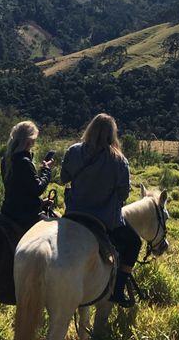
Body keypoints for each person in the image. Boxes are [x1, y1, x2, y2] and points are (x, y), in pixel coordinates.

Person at [60, 113, 141, 307]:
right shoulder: (119, 160)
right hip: (103, 219)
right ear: (112, 134)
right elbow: (123, 196)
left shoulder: (73, 151)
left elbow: (64, 179)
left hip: (73, 215)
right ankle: (118, 291)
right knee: (133, 242)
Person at [0, 120, 54, 231]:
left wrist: (40, 203)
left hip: (8, 210)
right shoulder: (24, 162)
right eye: (34, 140)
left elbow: (19, 190)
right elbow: (38, 189)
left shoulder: (6, 159)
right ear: (29, 141)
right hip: (26, 215)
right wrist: (46, 170)